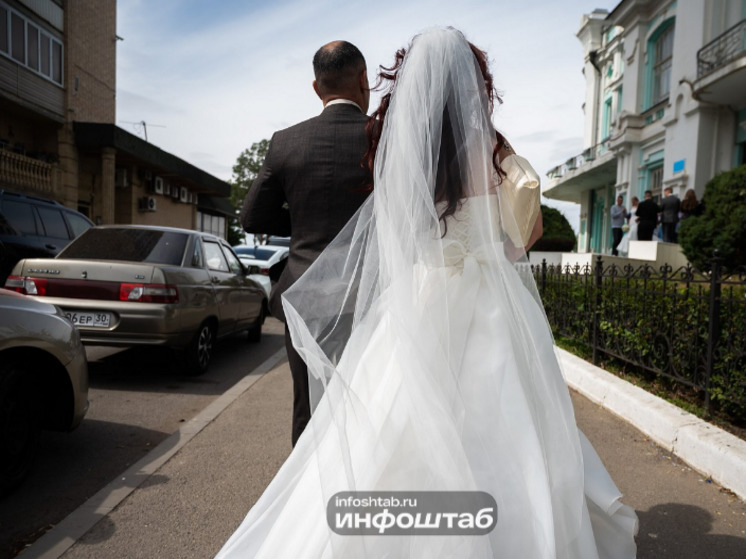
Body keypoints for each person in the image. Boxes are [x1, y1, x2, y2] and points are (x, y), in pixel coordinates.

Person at [217, 28, 637, 558]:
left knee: (383, 417)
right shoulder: (494, 150)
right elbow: (524, 236)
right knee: (506, 419)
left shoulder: (399, 152)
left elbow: (396, 230)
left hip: (418, 293)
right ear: (474, 81)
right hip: (487, 296)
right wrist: (494, 250)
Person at [239, 40, 372, 446]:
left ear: (317, 88)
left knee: (307, 404)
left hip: (305, 296)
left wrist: (301, 221)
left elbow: (251, 218)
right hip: (365, 295)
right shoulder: (383, 138)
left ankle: (308, 495)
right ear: (365, 81)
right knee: (368, 398)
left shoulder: (285, 142)